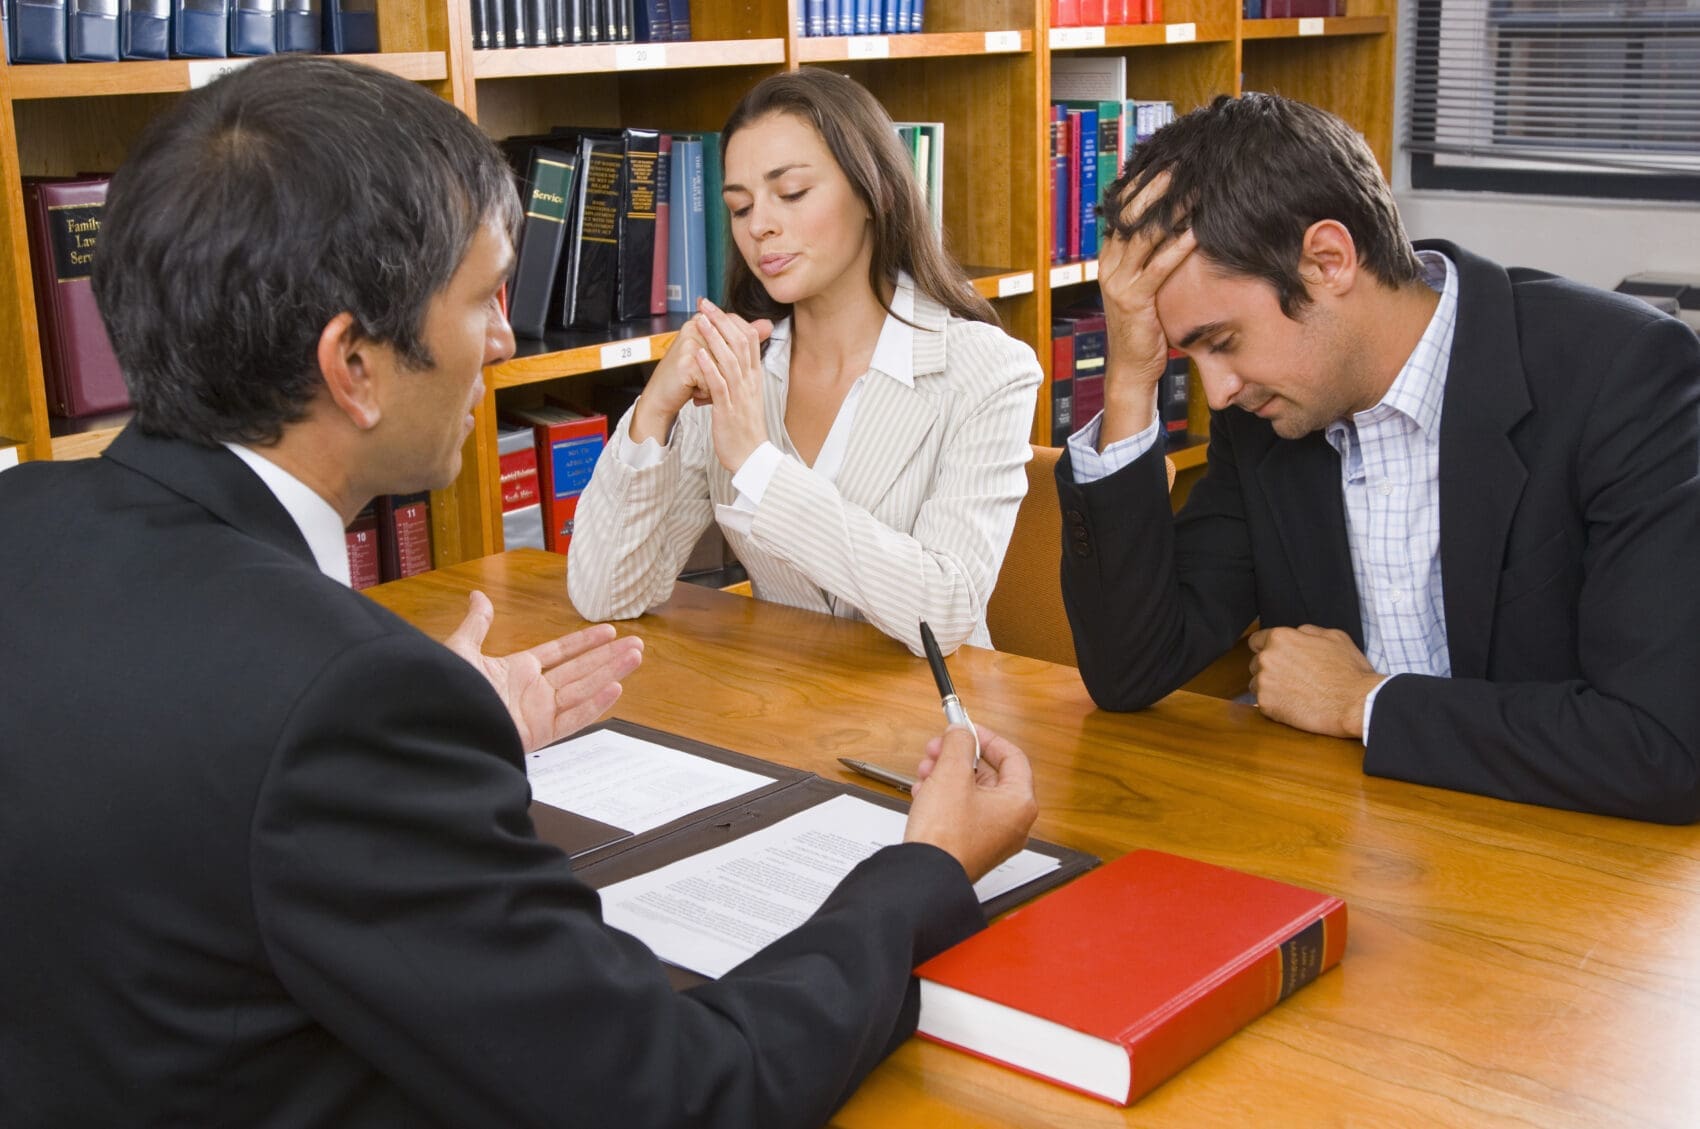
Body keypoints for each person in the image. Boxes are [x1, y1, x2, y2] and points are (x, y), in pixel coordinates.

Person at [0, 56, 1039, 1126]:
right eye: (479, 298)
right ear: (352, 365)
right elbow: (683, 1094)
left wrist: (422, 735)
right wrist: (921, 873)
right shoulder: (341, 702)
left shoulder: (22, 525)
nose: (505, 338)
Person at [1056, 92, 1700, 824]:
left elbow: (1663, 746)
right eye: (1190, 353)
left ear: (1328, 260)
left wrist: (1364, 702)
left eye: (1223, 341)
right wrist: (1131, 375)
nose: (1220, 392)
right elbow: (1131, 668)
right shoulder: (1269, 411)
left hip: (1567, 875)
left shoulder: (1622, 375)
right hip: (1343, 844)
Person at [567, 69, 1042, 656]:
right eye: (739, 208)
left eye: (791, 193)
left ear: (875, 193)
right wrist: (654, 413)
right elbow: (606, 595)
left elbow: (942, 615)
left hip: (931, 723)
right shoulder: (738, 367)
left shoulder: (990, 372)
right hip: (783, 710)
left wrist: (758, 467)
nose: (760, 225)